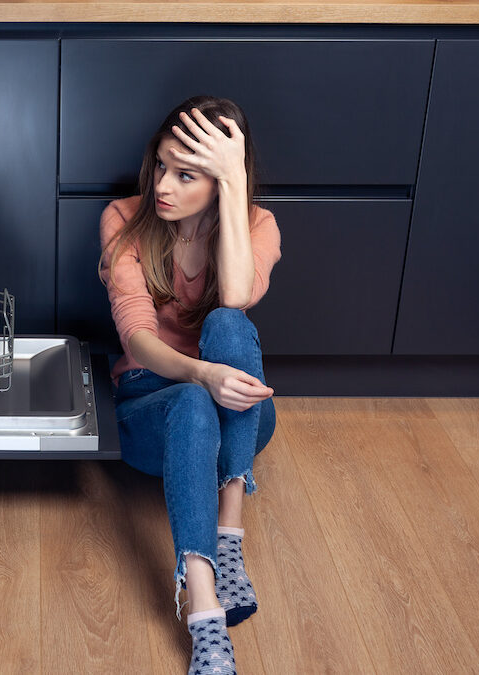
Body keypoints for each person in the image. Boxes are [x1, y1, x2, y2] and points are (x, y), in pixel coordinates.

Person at [99, 95, 281, 675]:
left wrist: (234, 183)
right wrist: (202, 373)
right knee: (193, 402)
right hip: (151, 405)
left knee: (228, 322)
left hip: (235, 413)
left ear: (224, 178)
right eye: (161, 165)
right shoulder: (124, 219)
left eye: (186, 174)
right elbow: (137, 339)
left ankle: (229, 535)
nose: (162, 186)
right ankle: (205, 614)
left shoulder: (258, 226)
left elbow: (236, 297)